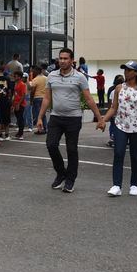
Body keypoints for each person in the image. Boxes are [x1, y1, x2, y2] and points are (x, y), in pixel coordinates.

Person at [36, 48, 103, 193]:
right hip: (55, 117)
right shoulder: (52, 76)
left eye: (66, 58)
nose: (62, 61)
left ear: (72, 60)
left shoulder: (80, 77)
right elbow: (47, 98)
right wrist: (40, 118)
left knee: (71, 149)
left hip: (73, 118)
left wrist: (99, 118)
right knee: (51, 145)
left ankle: (70, 180)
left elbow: (89, 99)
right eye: (60, 58)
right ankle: (61, 174)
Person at [99, 61, 137, 197]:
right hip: (120, 125)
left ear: (136, 72)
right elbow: (113, 107)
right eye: (125, 69)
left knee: (135, 156)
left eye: (129, 70)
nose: (126, 72)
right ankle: (116, 185)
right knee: (118, 153)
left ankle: (134, 185)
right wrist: (103, 120)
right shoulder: (119, 88)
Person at [0, 66, 11, 140]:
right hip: (6, 100)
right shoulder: (7, 79)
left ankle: (0, 134)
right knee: (6, 117)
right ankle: (7, 134)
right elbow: (10, 90)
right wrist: (9, 98)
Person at [30, 66, 48, 135]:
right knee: (43, 114)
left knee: (38, 115)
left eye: (34, 71)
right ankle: (45, 128)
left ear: (37, 71)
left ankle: (40, 129)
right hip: (45, 98)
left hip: (37, 98)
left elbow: (32, 91)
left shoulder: (35, 79)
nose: (33, 72)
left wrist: (31, 100)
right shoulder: (46, 78)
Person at [12, 71, 27, 140]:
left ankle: (21, 134)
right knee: (18, 118)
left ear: (19, 77)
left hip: (20, 104)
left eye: (16, 76)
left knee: (20, 118)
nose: (15, 77)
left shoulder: (22, 84)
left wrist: (18, 104)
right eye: (14, 76)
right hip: (15, 103)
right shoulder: (16, 84)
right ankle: (19, 133)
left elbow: (23, 95)